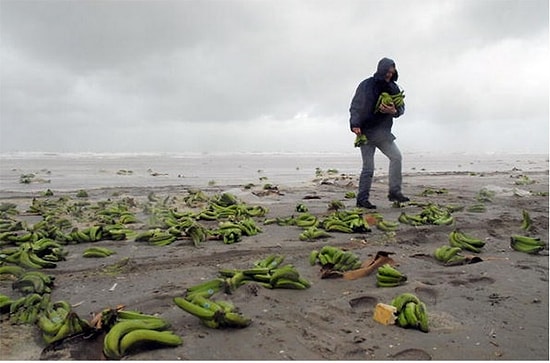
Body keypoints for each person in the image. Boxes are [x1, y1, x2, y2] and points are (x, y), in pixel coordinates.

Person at [349, 57, 409, 209]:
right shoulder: (366, 85)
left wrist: (394, 111)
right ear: (381, 70)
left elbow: (401, 109)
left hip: (383, 134)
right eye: (387, 72)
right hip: (366, 132)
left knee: (396, 157)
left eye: (391, 72)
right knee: (368, 167)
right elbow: (355, 106)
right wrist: (355, 124)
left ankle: (394, 192)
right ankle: (362, 199)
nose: (389, 75)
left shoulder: (394, 88)